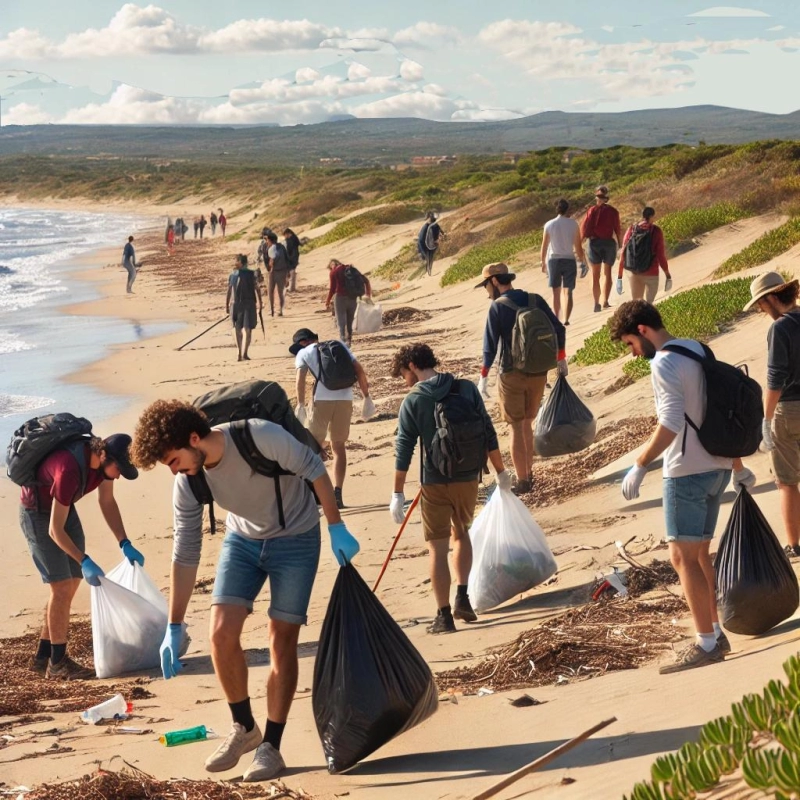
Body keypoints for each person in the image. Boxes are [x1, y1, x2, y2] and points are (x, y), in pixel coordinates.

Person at [130, 400, 360, 782]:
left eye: (173, 460)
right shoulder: (189, 482)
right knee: (220, 634)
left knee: (280, 640)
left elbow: (314, 467)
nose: (174, 471)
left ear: (193, 439)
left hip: (296, 539)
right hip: (243, 541)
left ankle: (271, 745)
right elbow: (186, 553)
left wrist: (335, 525)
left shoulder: (257, 435)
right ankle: (244, 727)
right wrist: (174, 624)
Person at [609, 300, 752, 673]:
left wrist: (639, 465)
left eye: (629, 344)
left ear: (641, 330)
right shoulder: (696, 348)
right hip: (717, 466)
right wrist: (737, 466)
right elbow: (718, 408)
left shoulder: (664, 363)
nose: (633, 353)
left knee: (682, 558)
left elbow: (671, 422)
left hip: (686, 470)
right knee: (701, 554)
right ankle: (716, 632)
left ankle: (706, 642)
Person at [389, 343, 510, 633]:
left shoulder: (414, 400)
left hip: (434, 482)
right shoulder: (466, 389)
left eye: (404, 373)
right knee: (462, 534)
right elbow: (488, 430)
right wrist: (501, 471)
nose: (405, 379)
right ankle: (462, 597)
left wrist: (397, 493)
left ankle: (443, 616)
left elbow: (404, 448)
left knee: (437, 548)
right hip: (469, 477)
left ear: (413, 366)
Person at [19, 432, 141, 679]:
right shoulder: (69, 470)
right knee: (61, 586)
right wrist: (84, 559)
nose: (118, 475)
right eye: (119, 469)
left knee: (72, 581)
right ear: (104, 455)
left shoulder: (103, 464)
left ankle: (43, 656)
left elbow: (107, 501)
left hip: (63, 506)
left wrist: (124, 542)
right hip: (37, 512)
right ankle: (58, 664)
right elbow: (55, 529)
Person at [477, 263, 567, 494]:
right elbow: (559, 329)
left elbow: (490, 347)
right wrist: (561, 359)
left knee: (516, 427)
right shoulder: (534, 299)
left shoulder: (497, 307)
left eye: (487, 285)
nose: (487, 290)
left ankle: (523, 480)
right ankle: (529, 473)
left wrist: (484, 377)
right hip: (538, 372)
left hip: (511, 373)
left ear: (495, 281)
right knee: (528, 423)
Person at [744, 271, 800, 556]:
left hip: (789, 410)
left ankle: (795, 545)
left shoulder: (780, 328)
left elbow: (775, 379)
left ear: (773, 298)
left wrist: (766, 421)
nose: (762, 311)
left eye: (761, 305)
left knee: (787, 482)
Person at [291, 328, 372, 510]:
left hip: (321, 401)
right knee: (338, 447)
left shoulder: (304, 353)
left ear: (302, 343)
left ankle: (316, 493)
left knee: (312, 448)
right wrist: (366, 396)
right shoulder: (339, 345)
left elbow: (300, 380)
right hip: (345, 399)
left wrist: (301, 405)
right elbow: (359, 370)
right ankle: (337, 494)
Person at [540, 199, 587, 325]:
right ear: (568, 209)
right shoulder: (573, 224)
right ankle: (566, 318)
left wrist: (542, 262)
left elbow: (544, 246)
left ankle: (556, 318)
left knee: (556, 291)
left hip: (553, 260)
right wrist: (583, 261)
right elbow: (578, 247)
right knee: (568, 291)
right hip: (569, 259)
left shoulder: (549, 225)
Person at [616, 207, 672, 303]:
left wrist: (619, 278)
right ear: (652, 217)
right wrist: (668, 276)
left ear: (642, 216)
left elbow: (623, 253)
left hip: (635, 273)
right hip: (651, 273)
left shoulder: (632, 229)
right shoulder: (656, 231)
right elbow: (661, 256)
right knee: (648, 305)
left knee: (638, 306)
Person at [581, 185, 622, 312]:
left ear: (596, 197)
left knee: (595, 274)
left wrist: (581, 241)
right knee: (607, 273)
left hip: (594, 243)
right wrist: (620, 244)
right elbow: (617, 229)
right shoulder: (613, 211)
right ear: (606, 198)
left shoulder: (591, 210)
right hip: (608, 243)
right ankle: (605, 301)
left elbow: (584, 228)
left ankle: (596, 303)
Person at [325, 259, 371, 346]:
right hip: (353, 298)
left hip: (340, 299)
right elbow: (366, 281)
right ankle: (349, 339)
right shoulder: (351, 270)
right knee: (350, 321)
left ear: (331, 266)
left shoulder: (333, 272)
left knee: (341, 321)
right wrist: (368, 294)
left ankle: (343, 341)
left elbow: (332, 289)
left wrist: (327, 301)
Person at [226, 254, 262, 362]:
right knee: (246, 329)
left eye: (236, 261)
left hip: (238, 304)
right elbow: (257, 289)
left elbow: (229, 290)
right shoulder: (251, 274)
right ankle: (243, 353)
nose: (235, 263)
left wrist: (227, 304)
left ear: (241, 263)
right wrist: (260, 302)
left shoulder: (234, 274)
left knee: (239, 329)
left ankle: (240, 352)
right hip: (247, 303)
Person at [262, 232, 290, 317]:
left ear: (270, 240)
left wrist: (270, 267)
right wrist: (288, 273)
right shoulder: (282, 247)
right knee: (280, 292)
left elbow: (271, 260)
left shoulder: (271, 248)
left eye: (267, 240)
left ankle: (272, 310)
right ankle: (280, 310)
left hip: (274, 272)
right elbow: (287, 259)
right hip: (282, 271)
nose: (266, 241)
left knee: (271, 291)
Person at [417, 211, 445, 277]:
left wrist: (442, 235)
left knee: (430, 257)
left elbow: (441, 231)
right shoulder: (427, 226)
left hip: (431, 244)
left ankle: (428, 270)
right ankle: (428, 270)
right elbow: (421, 238)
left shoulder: (433, 225)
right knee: (428, 257)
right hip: (426, 244)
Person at [283, 228, 300, 293]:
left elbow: (289, 250)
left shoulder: (291, 240)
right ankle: (291, 287)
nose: (285, 237)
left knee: (291, 272)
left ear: (288, 234)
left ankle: (291, 288)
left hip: (292, 258)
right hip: (294, 257)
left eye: (285, 235)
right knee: (291, 272)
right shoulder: (294, 238)